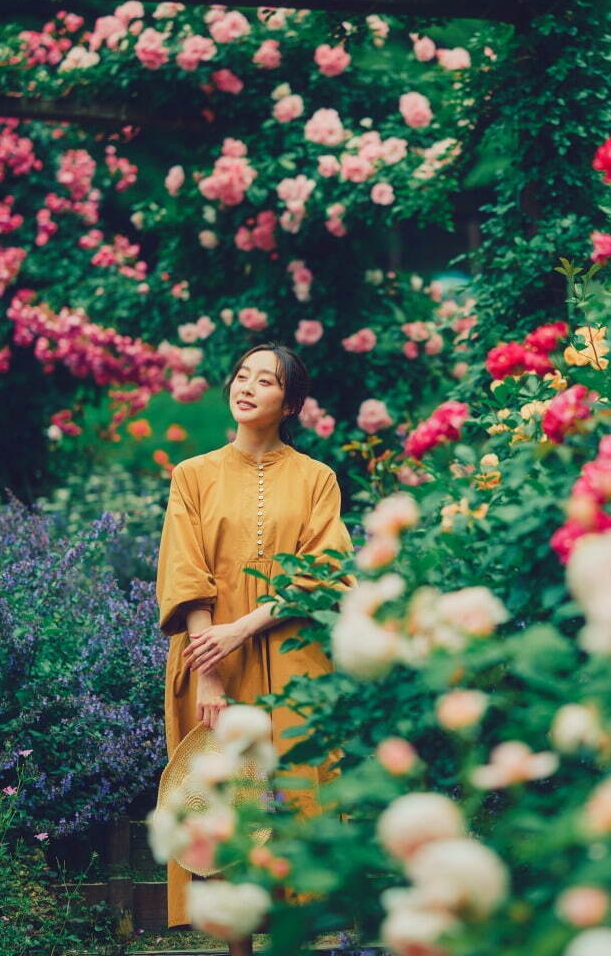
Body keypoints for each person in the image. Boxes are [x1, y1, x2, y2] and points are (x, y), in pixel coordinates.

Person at [154, 342, 354, 946]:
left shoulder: (317, 480)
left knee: (298, 795)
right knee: (224, 803)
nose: (246, 387)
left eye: (265, 381)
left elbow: (324, 571)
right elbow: (185, 573)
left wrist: (243, 627)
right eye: (242, 376)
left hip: (295, 660)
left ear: (290, 404)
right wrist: (209, 674)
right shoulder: (192, 475)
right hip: (211, 661)